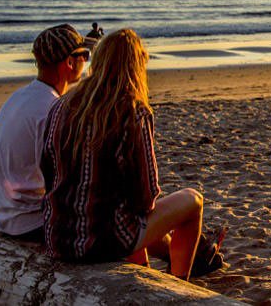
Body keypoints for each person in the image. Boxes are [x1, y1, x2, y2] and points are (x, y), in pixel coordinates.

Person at [40, 29, 204, 279]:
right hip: (102, 244)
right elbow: (147, 196)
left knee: (124, 212)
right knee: (193, 200)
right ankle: (179, 281)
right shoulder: (133, 111)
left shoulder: (61, 105)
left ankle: (144, 271)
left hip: (57, 239)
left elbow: (47, 170)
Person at [0, 24, 95, 241]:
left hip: (5, 215)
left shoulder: (18, 97)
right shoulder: (53, 109)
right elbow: (68, 182)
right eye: (85, 55)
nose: (86, 61)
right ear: (70, 62)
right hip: (32, 222)